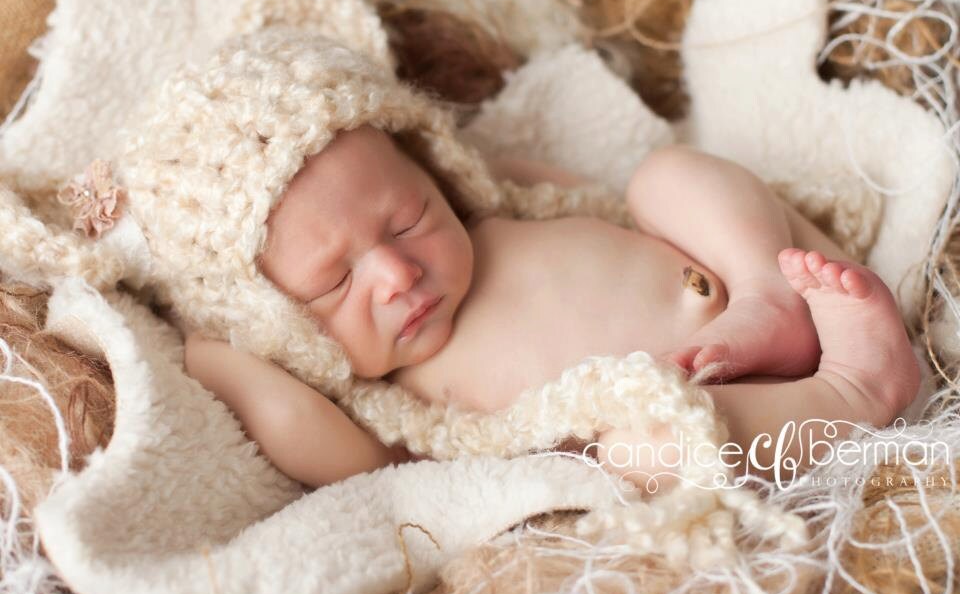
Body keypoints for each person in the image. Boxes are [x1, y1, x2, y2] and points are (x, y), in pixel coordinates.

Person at [183, 124, 921, 490]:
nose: (396, 272)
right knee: (646, 449)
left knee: (663, 176)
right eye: (334, 284)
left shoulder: (498, 215)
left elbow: (585, 200)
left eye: (408, 218)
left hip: (733, 282)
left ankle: (775, 291)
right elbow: (314, 439)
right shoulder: (394, 400)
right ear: (283, 326)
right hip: (716, 403)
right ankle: (854, 388)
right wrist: (220, 355)